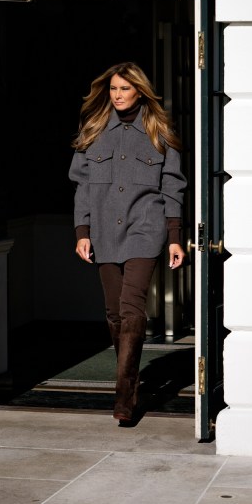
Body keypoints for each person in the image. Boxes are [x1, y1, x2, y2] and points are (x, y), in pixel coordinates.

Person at [69, 63, 187, 424]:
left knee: (132, 306)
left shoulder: (159, 132)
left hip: (145, 229)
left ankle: (124, 396)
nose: (118, 95)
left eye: (125, 88)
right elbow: (83, 188)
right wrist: (82, 232)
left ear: (140, 91)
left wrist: (174, 238)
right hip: (103, 230)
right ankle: (129, 382)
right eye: (113, 89)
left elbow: (173, 186)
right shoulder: (93, 131)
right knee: (114, 311)